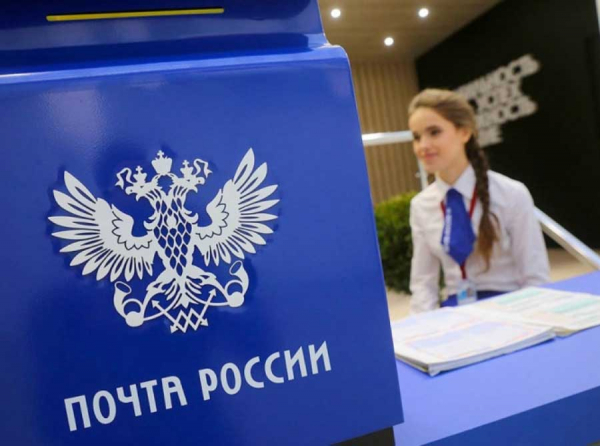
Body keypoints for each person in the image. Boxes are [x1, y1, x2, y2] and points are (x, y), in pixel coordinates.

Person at [407, 88, 549, 313]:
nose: (423, 146)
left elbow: (535, 276)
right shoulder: (421, 206)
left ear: (464, 132)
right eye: (416, 137)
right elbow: (423, 284)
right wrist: (425, 326)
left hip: (511, 308)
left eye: (434, 132)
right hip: (454, 313)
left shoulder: (511, 193)